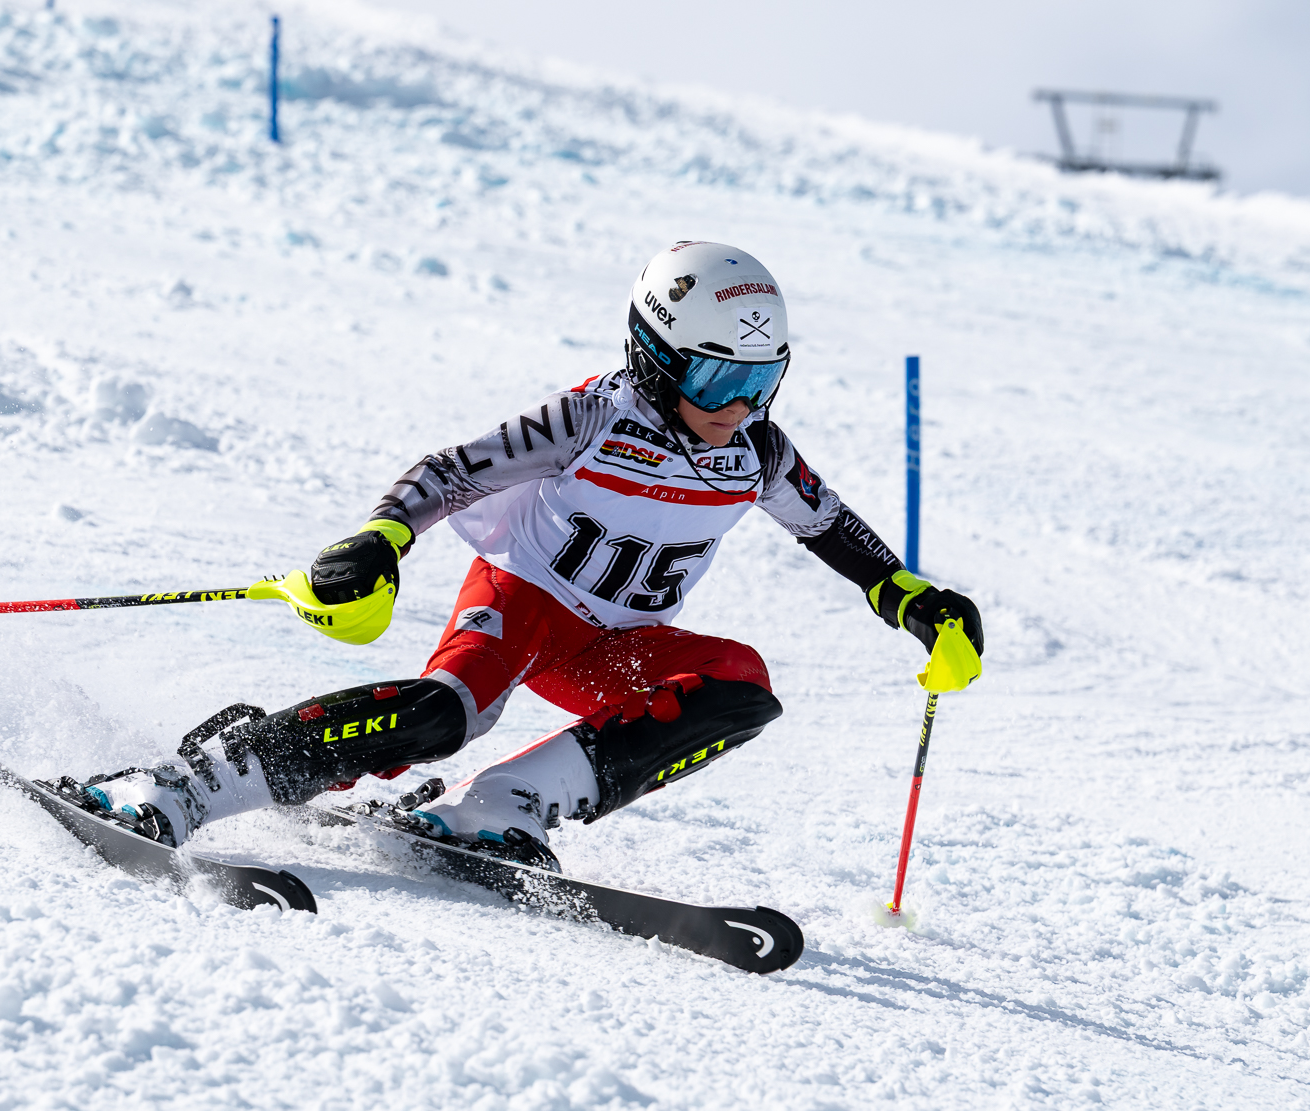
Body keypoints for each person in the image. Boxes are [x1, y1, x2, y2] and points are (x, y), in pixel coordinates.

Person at [64, 241, 983, 870]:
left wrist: (916, 602)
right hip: (522, 601)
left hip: (610, 645)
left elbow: (832, 529)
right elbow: (449, 472)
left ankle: (496, 807)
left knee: (740, 685)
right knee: (443, 712)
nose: (738, 405)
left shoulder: (757, 452)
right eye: (717, 377)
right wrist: (379, 540)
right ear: (658, 357)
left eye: (761, 379)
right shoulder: (592, 419)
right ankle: (183, 784)